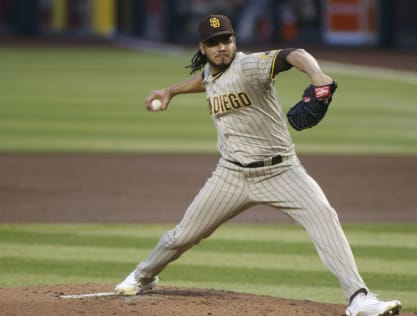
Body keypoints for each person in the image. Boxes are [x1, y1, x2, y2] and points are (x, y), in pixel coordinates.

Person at [114, 14, 402, 316]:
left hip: (282, 171)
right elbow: (207, 81)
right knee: (183, 235)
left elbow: (295, 55)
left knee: (324, 218)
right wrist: (170, 91)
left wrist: (317, 77)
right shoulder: (213, 74)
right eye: (214, 43)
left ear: (235, 41)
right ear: (203, 48)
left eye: (226, 40)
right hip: (231, 175)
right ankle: (143, 276)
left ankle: (358, 298)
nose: (222, 47)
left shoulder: (250, 65)